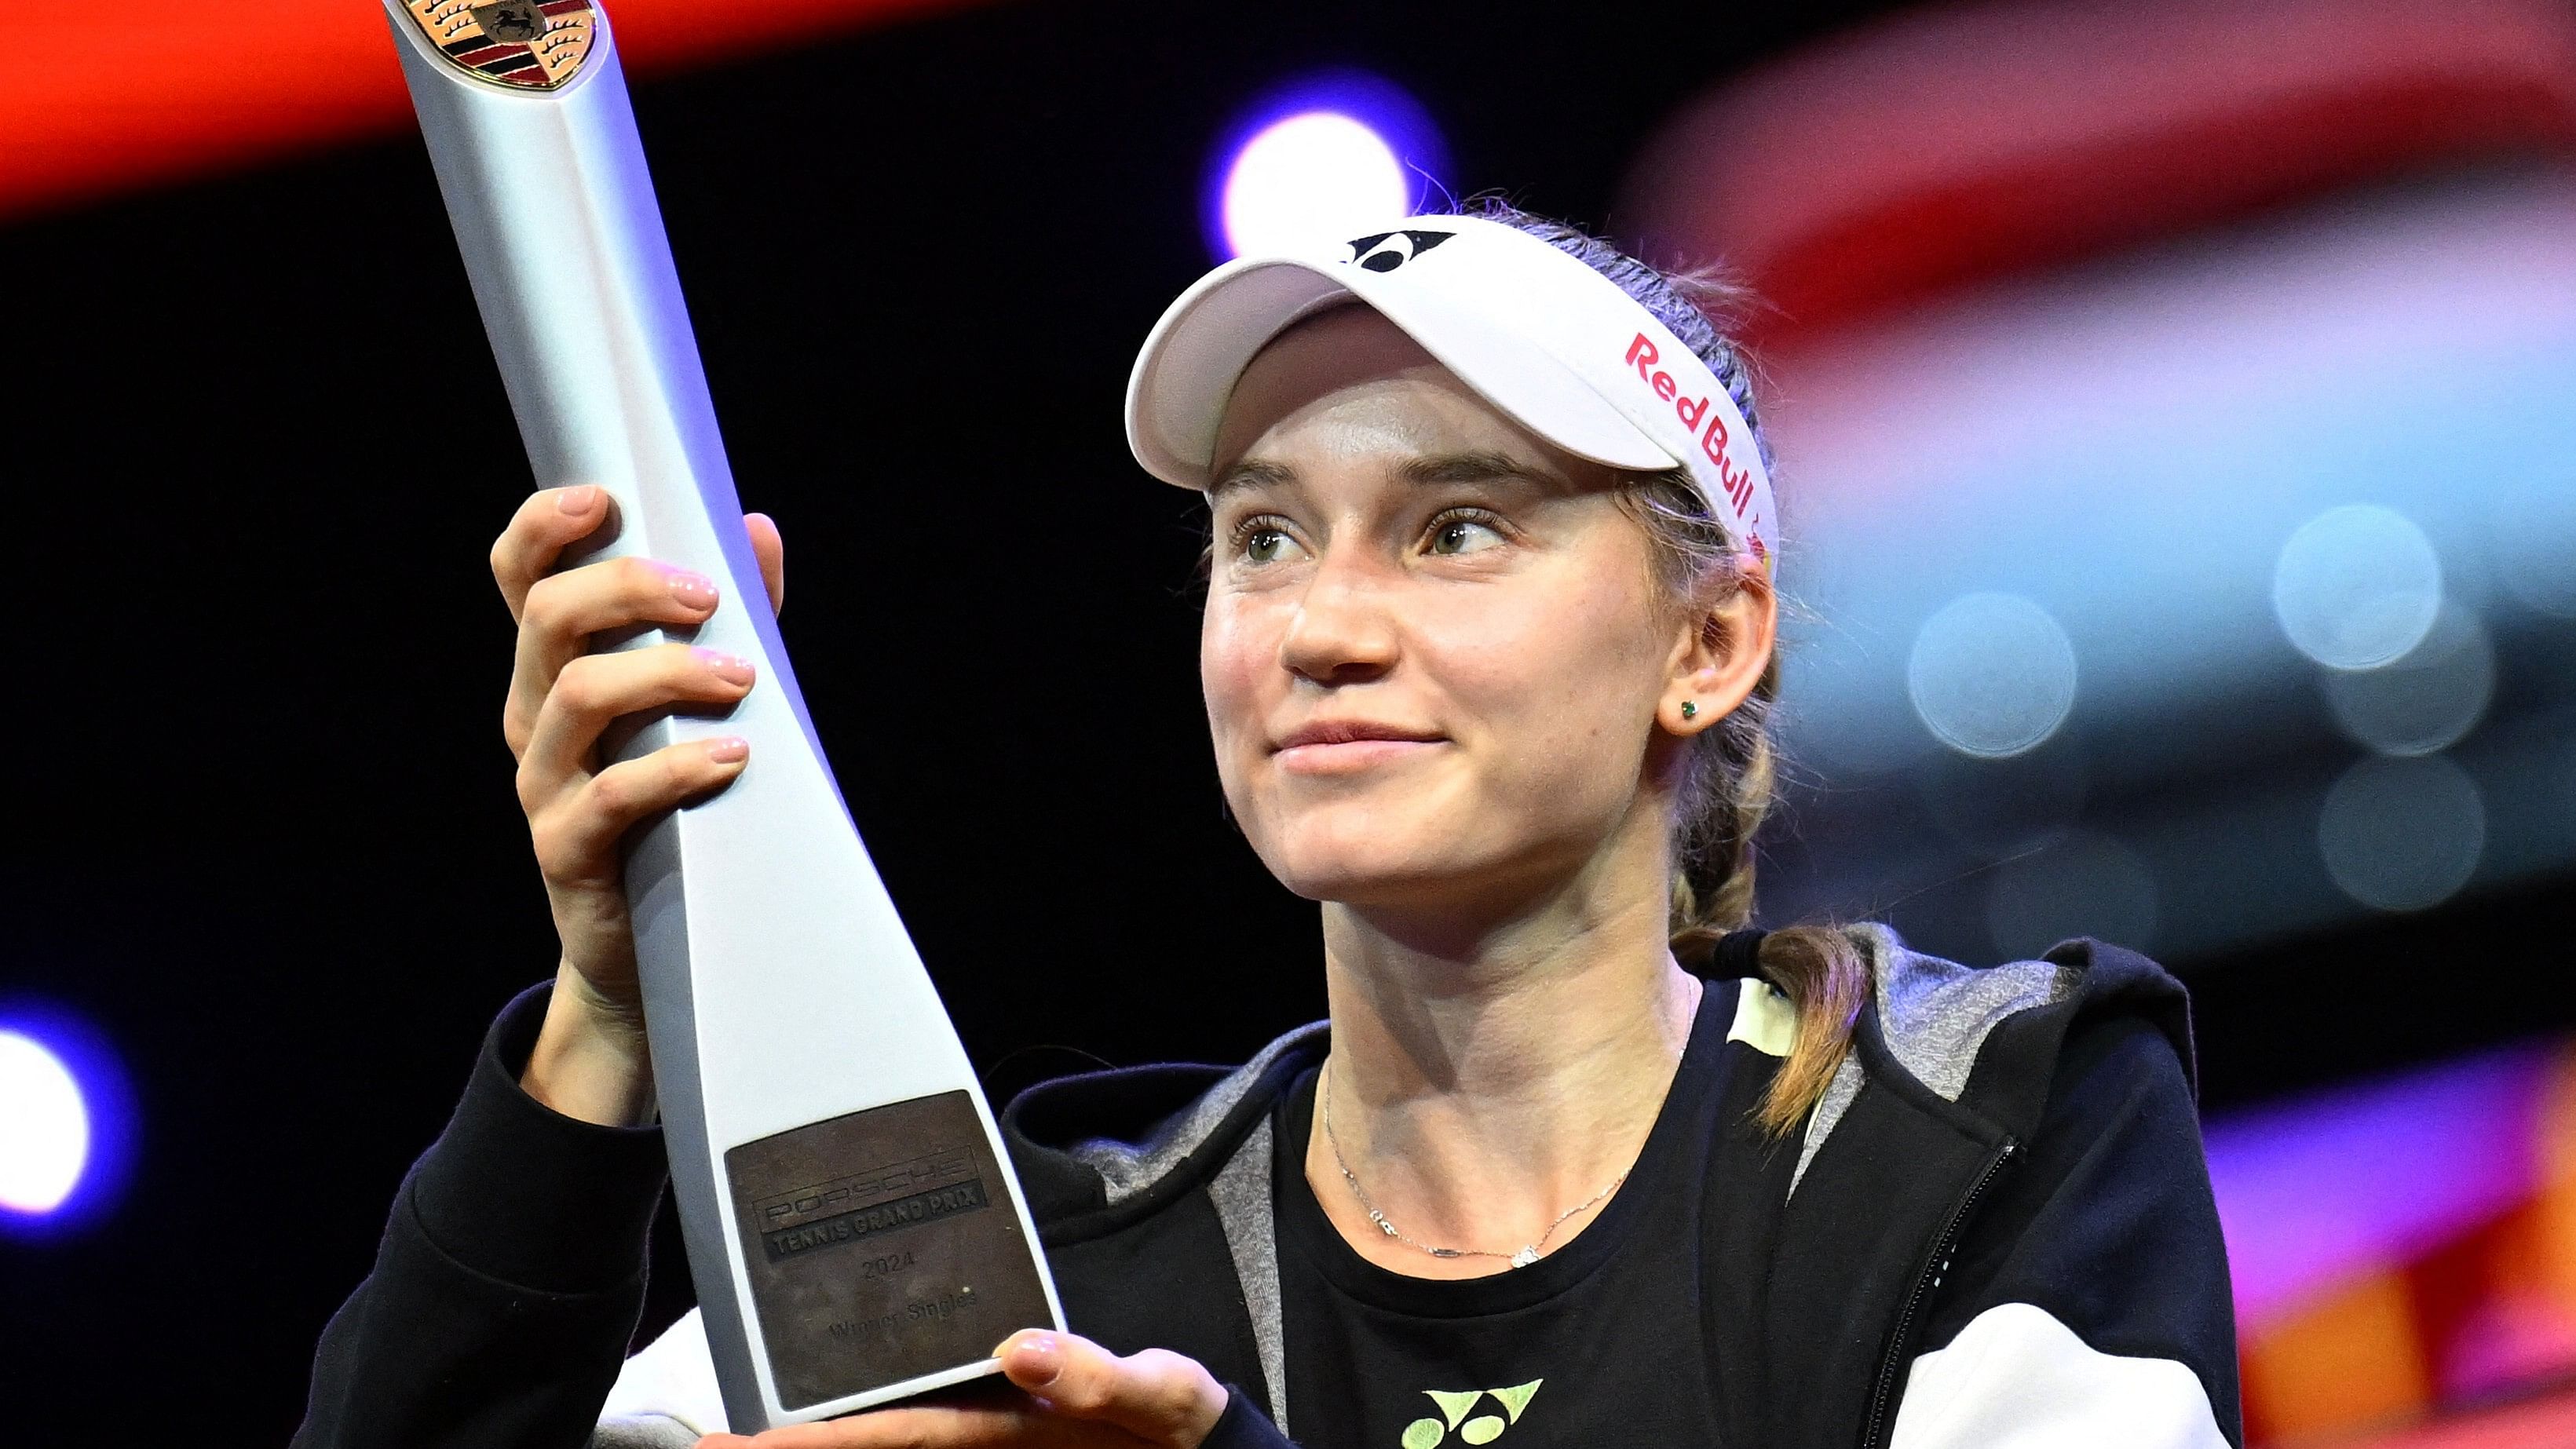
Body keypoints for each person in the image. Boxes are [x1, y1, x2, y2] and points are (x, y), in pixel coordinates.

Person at [295, 200, 2241, 1449]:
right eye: (1264, 536)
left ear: (1708, 642)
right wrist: (613, 1022)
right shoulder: (1032, 1273)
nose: (1321, 625)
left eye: (1457, 526)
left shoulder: (1978, 1118)